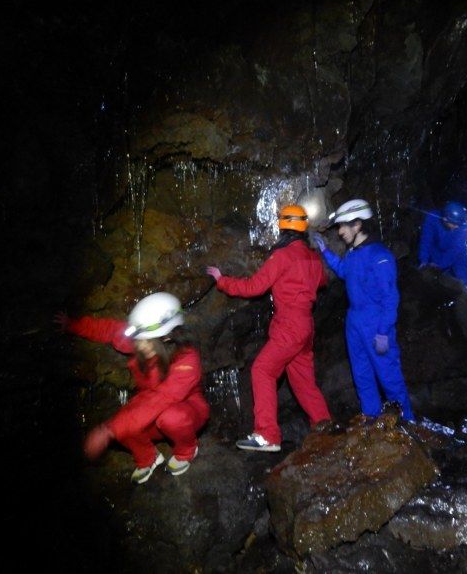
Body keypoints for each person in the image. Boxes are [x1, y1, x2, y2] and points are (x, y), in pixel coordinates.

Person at [206, 204, 331, 452]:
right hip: (306, 326)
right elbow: (323, 282)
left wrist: (223, 281)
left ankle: (267, 435)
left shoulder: (283, 256)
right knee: (304, 383)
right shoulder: (313, 257)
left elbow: (255, 287)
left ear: (284, 226)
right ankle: (325, 427)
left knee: (262, 370)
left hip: (290, 326)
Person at [55, 292, 209, 484]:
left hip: (187, 410)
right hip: (151, 405)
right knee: (128, 419)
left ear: (168, 337)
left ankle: (187, 450)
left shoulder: (187, 359)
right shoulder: (142, 337)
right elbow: (109, 330)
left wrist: (108, 430)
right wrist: (72, 325)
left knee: (164, 417)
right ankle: (148, 458)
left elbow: (160, 399)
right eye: (138, 338)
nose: (139, 345)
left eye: (146, 340)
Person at [312, 199, 415, 423]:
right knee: (362, 375)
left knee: (389, 377)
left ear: (357, 224)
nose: (339, 232)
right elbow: (344, 272)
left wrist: (383, 331)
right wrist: (325, 252)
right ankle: (371, 418)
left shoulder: (380, 257)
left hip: (375, 324)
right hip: (355, 323)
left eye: (343, 226)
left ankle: (407, 423)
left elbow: (390, 299)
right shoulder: (353, 254)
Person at [417, 201, 467, 292]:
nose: (456, 227)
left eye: (458, 225)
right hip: (436, 249)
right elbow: (426, 239)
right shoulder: (432, 218)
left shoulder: (464, 227)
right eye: (454, 224)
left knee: (465, 283)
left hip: (459, 253)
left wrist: (440, 264)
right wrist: (424, 260)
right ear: (445, 219)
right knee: (437, 281)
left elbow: (454, 250)